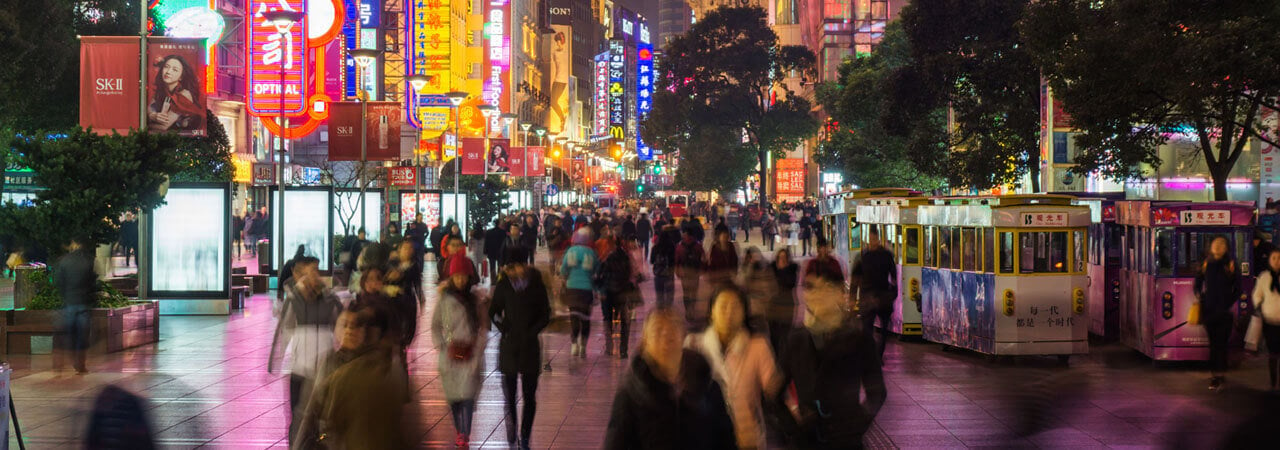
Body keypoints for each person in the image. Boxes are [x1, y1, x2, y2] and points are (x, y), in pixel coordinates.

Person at [775, 275, 886, 448]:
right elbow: (774, 394)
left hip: (846, 441)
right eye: (812, 288)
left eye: (827, 288)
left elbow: (877, 391)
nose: (819, 294)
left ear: (840, 294)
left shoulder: (859, 338)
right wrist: (793, 428)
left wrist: (857, 426)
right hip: (807, 441)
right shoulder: (796, 340)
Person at [603, 308, 737, 450]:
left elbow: (725, 439)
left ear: (684, 335)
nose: (666, 334)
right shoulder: (631, 394)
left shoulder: (707, 386)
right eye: (658, 329)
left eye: (673, 326)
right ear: (645, 342)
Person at [293, 300, 408, 450]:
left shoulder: (377, 370)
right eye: (345, 325)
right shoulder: (329, 362)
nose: (349, 331)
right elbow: (309, 414)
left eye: (358, 326)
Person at [686, 286, 782, 450]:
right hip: (705, 436)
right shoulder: (694, 345)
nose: (729, 313)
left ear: (744, 313)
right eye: (723, 306)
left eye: (736, 306)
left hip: (747, 436)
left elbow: (773, 388)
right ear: (711, 311)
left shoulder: (758, 346)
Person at [267, 256, 341, 444]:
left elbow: (341, 324)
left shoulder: (329, 297)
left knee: (324, 418)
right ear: (298, 274)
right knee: (299, 416)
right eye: (309, 271)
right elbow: (284, 332)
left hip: (326, 369)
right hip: (301, 368)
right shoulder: (294, 300)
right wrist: (275, 361)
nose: (314, 275)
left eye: (316, 270)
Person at [489, 248, 551, 449]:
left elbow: (545, 313)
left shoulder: (536, 284)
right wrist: (503, 328)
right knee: (510, 394)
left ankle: (525, 435)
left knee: (529, 395)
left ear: (525, 265)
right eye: (510, 266)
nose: (513, 269)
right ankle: (512, 430)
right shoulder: (504, 284)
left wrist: (532, 331)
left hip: (530, 346)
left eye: (516, 265)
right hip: (509, 346)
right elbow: (494, 311)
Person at [432, 256, 486, 448]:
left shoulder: (476, 300)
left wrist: (478, 348)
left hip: (471, 354)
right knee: (454, 397)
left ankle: (465, 432)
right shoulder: (444, 300)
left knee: (468, 396)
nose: (461, 280)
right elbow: (435, 325)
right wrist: (442, 346)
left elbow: (482, 327)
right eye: (457, 276)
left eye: (464, 276)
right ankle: (459, 430)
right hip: (450, 355)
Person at [1194, 235, 1240, 391]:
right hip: (1209, 310)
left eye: (1222, 244)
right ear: (1211, 247)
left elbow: (1238, 289)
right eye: (1216, 243)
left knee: (1221, 344)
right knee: (1213, 344)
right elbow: (1197, 283)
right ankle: (1215, 375)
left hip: (1224, 313)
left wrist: (1228, 302)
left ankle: (1220, 374)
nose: (1219, 246)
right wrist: (1201, 296)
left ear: (1226, 248)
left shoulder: (1231, 265)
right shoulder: (1206, 264)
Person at [852, 228, 898, 358]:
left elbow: (894, 276)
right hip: (870, 297)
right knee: (868, 329)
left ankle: (877, 355)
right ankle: (873, 355)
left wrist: (893, 293)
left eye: (874, 239)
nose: (872, 242)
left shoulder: (882, 255)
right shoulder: (864, 256)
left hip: (880, 297)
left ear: (878, 239)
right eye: (871, 239)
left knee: (882, 331)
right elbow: (855, 279)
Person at [54, 238, 97, 374]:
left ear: (74, 243)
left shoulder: (64, 261)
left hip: (69, 303)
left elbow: (59, 283)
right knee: (82, 336)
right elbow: (92, 283)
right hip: (83, 304)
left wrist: (65, 297)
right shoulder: (88, 260)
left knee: (67, 334)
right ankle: (80, 364)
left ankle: (61, 364)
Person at [597, 236, 639, 359]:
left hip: (609, 293)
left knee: (608, 320)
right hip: (623, 293)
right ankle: (623, 350)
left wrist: (601, 289)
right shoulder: (626, 257)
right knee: (625, 322)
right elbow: (633, 275)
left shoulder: (607, 258)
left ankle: (609, 346)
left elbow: (600, 275)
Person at [561, 228, 599, 358]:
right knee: (585, 318)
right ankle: (583, 345)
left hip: (572, 288)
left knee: (574, 316)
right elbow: (597, 271)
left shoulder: (570, 252)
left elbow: (563, 270)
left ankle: (574, 345)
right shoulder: (591, 253)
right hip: (587, 290)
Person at [147, 54, 204, 132]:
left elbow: (163, 126)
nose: (168, 72)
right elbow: (150, 109)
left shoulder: (184, 94)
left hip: (184, 139)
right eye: (166, 67)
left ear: (181, 77)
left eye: (175, 70)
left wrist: (144, 125)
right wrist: (152, 115)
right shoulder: (163, 90)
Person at [1251, 248, 1280, 391]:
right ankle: (1273, 382)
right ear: (1269, 260)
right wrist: (1259, 307)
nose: (1276, 261)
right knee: (1273, 353)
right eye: (1274, 258)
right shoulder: (1264, 277)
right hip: (1269, 321)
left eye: (1279, 258)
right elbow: (1257, 295)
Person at [768, 248, 800, 355]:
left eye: (784, 257)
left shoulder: (792, 270)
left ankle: (784, 357)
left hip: (787, 307)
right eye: (780, 257)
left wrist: (784, 269)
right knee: (773, 335)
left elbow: (790, 283)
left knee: (785, 334)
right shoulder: (771, 269)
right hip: (773, 307)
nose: (782, 259)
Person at [676, 229, 706, 324]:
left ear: (687, 235)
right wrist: (702, 269)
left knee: (686, 293)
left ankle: (688, 311)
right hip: (695, 273)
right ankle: (692, 309)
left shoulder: (680, 246)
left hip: (685, 273)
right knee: (693, 292)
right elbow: (703, 258)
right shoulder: (698, 246)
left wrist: (677, 271)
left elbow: (677, 260)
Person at [650, 226, 679, 308]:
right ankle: (668, 310)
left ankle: (660, 312)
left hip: (658, 274)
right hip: (669, 273)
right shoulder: (672, 246)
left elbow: (652, 261)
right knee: (669, 294)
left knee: (660, 295)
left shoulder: (655, 248)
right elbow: (674, 260)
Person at [484, 220, 509, 285]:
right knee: (500, 265)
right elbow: (505, 243)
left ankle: (493, 280)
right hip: (500, 251)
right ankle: (499, 279)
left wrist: (485, 251)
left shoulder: (489, 232)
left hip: (491, 251)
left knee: (492, 266)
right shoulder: (503, 232)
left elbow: (486, 243)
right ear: (499, 224)